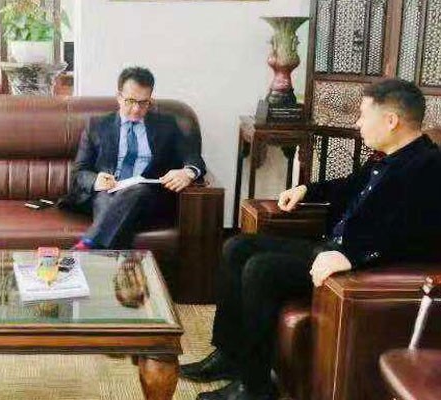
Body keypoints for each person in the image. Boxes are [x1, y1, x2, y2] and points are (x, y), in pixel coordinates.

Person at [181, 78, 441, 400]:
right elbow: (347, 186)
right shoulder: (386, 157)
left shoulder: (429, 168)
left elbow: (419, 236)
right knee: (237, 246)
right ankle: (229, 355)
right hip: (332, 249)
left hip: (356, 268)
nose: (357, 123)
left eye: (363, 114)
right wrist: (306, 189)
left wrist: (354, 257)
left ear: (391, 120)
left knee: (262, 269)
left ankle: (255, 388)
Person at [61, 66, 206, 249]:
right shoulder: (97, 125)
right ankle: (97, 254)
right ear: (119, 97)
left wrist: (187, 172)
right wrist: (96, 180)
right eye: (130, 101)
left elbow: (194, 157)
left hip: (148, 197)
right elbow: (79, 171)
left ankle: (86, 247)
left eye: (144, 103)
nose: (137, 109)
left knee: (136, 190)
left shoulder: (167, 125)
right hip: (108, 193)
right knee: (105, 198)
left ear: (150, 99)